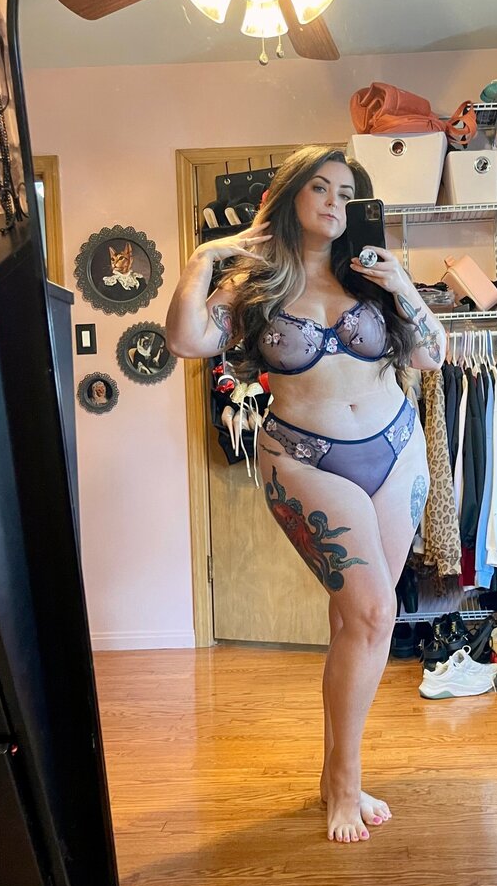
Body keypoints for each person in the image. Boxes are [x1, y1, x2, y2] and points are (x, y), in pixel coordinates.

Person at [167, 145, 446, 844]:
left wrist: (403, 284)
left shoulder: (370, 276)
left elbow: (431, 355)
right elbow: (186, 339)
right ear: (290, 196)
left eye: (346, 193)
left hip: (397, 449)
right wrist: (205, 256)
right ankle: (344, 783)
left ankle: (334, 773)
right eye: (319, 187)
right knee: (374, 613)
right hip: (305, 459)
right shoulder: (254, 285)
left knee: (358, 621)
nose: (332, 202)